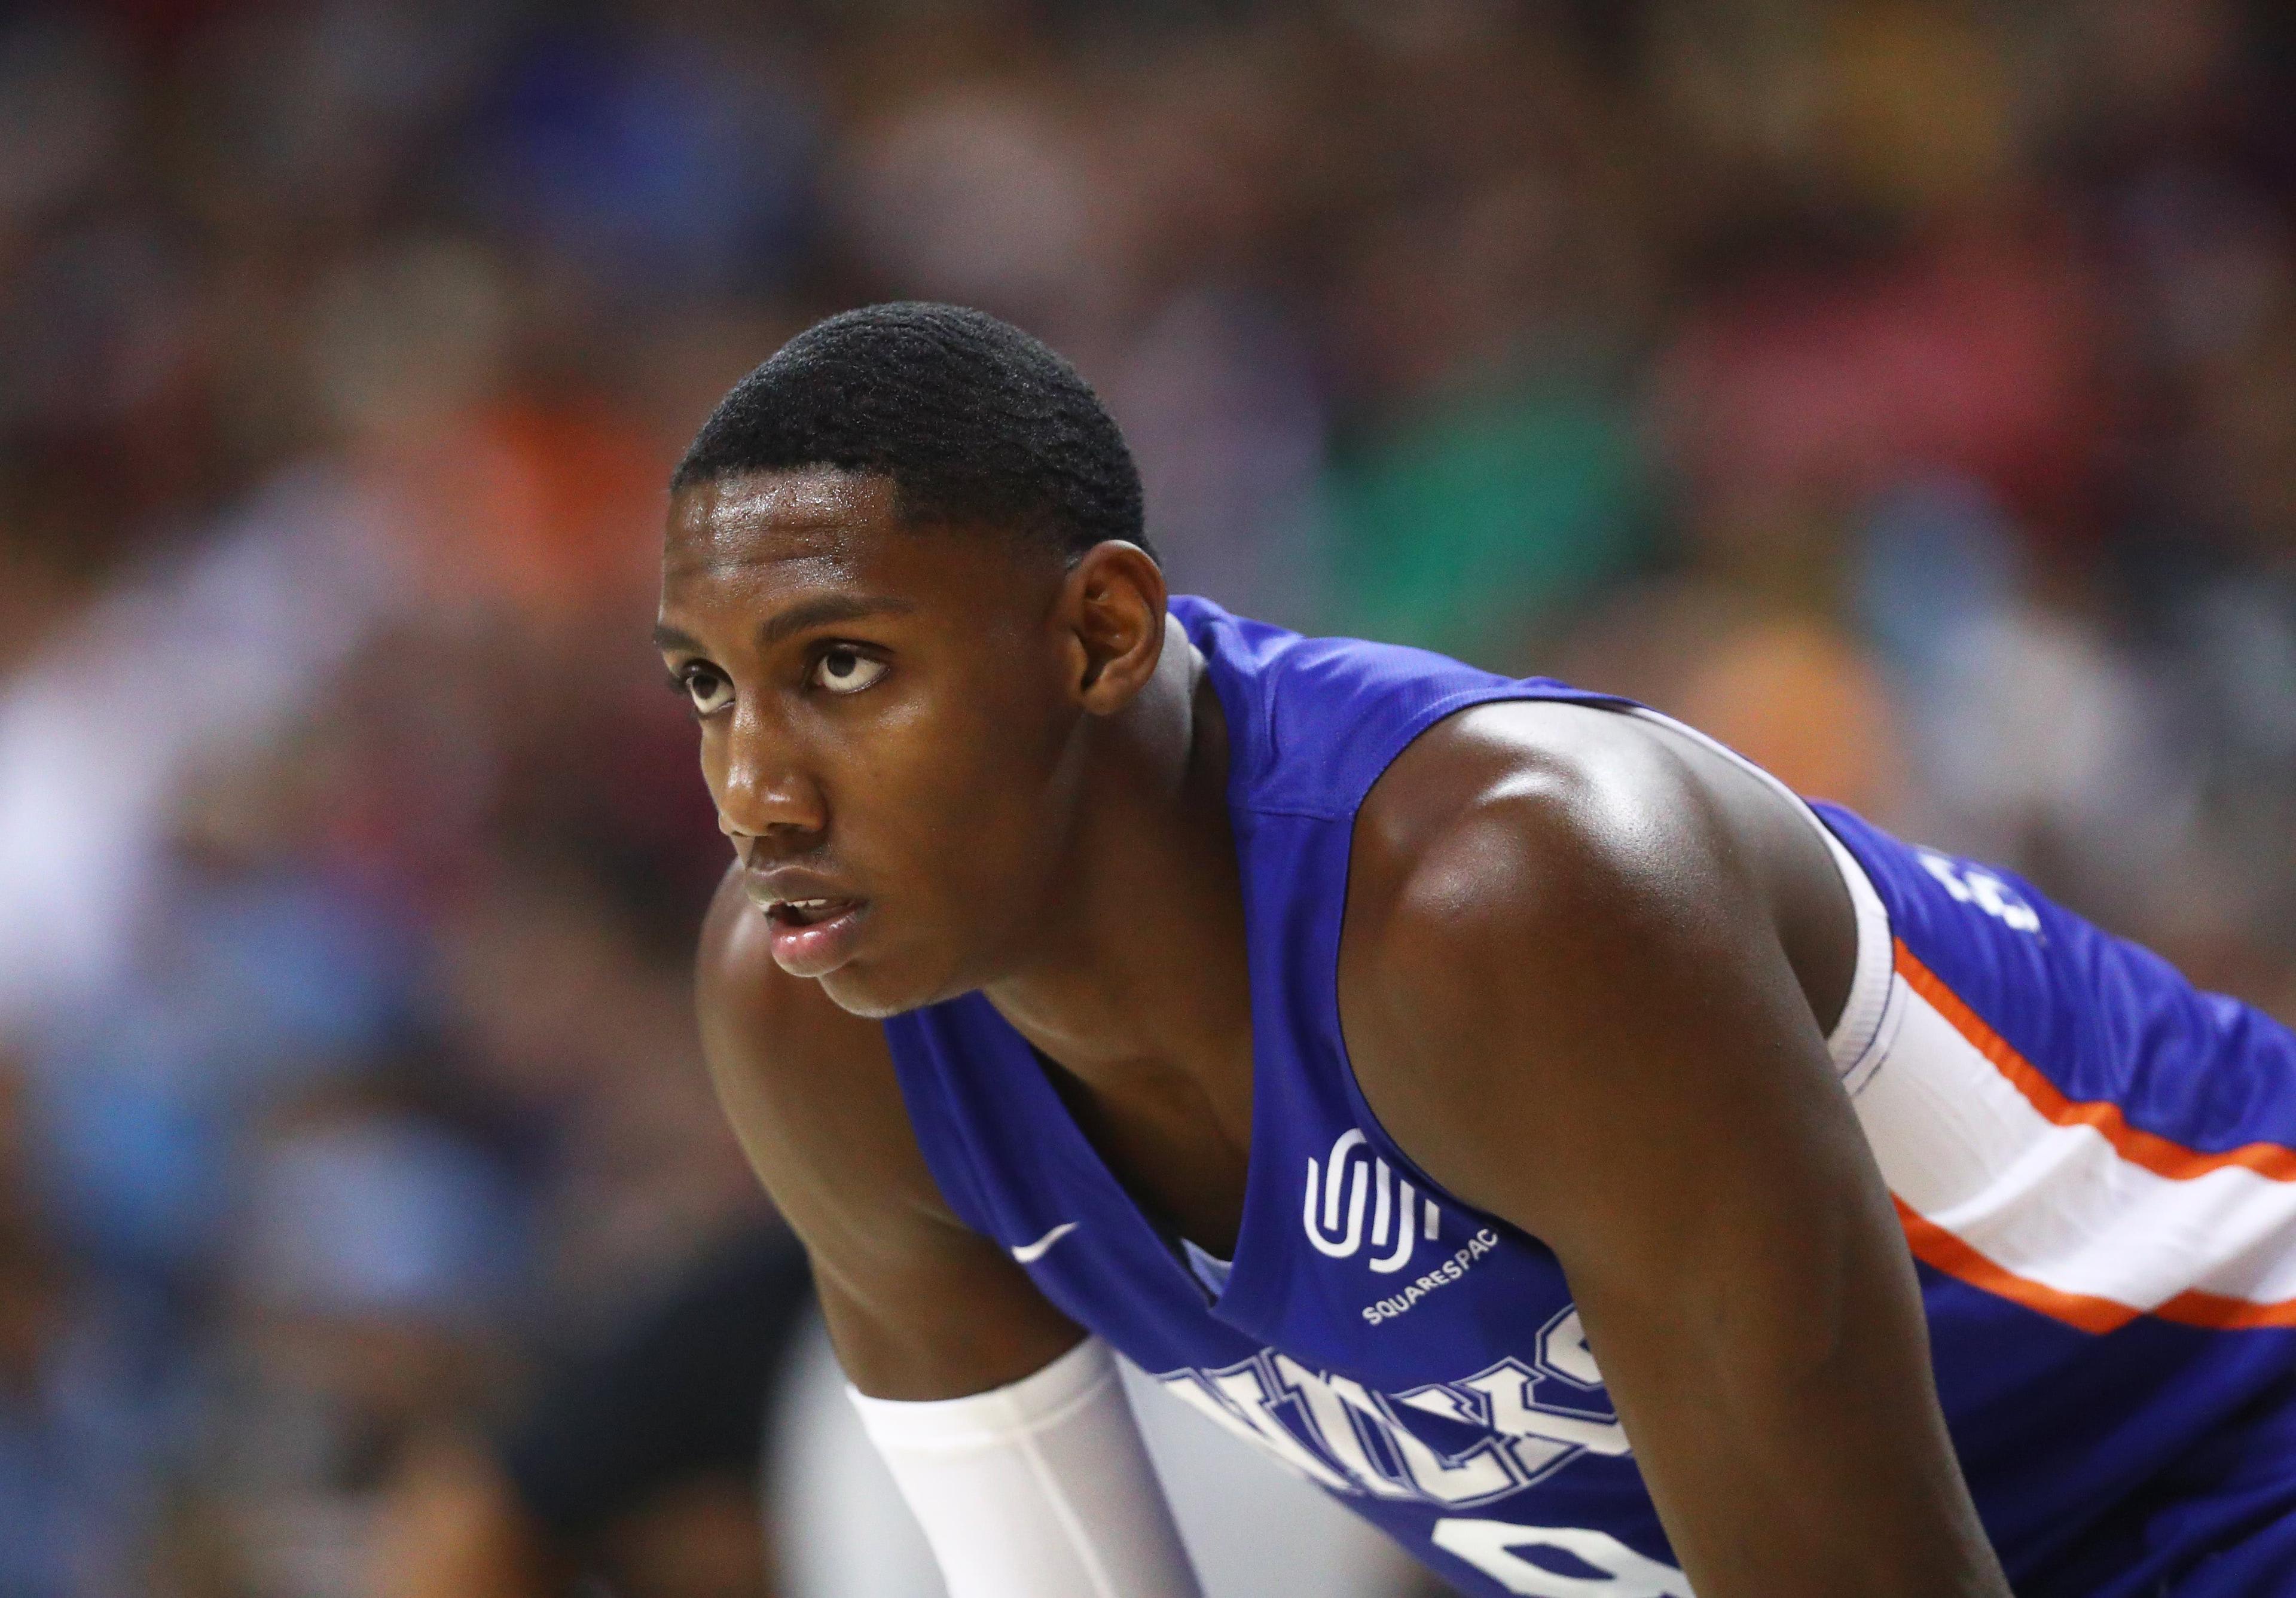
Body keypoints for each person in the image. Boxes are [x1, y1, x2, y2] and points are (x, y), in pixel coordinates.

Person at [655, 303, 2296, 1598]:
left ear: (1101, 632)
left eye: (847, 666)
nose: (754, 788)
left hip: (2231, 1456)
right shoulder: (815, 1012)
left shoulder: (1511, 897)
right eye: (708, 686)